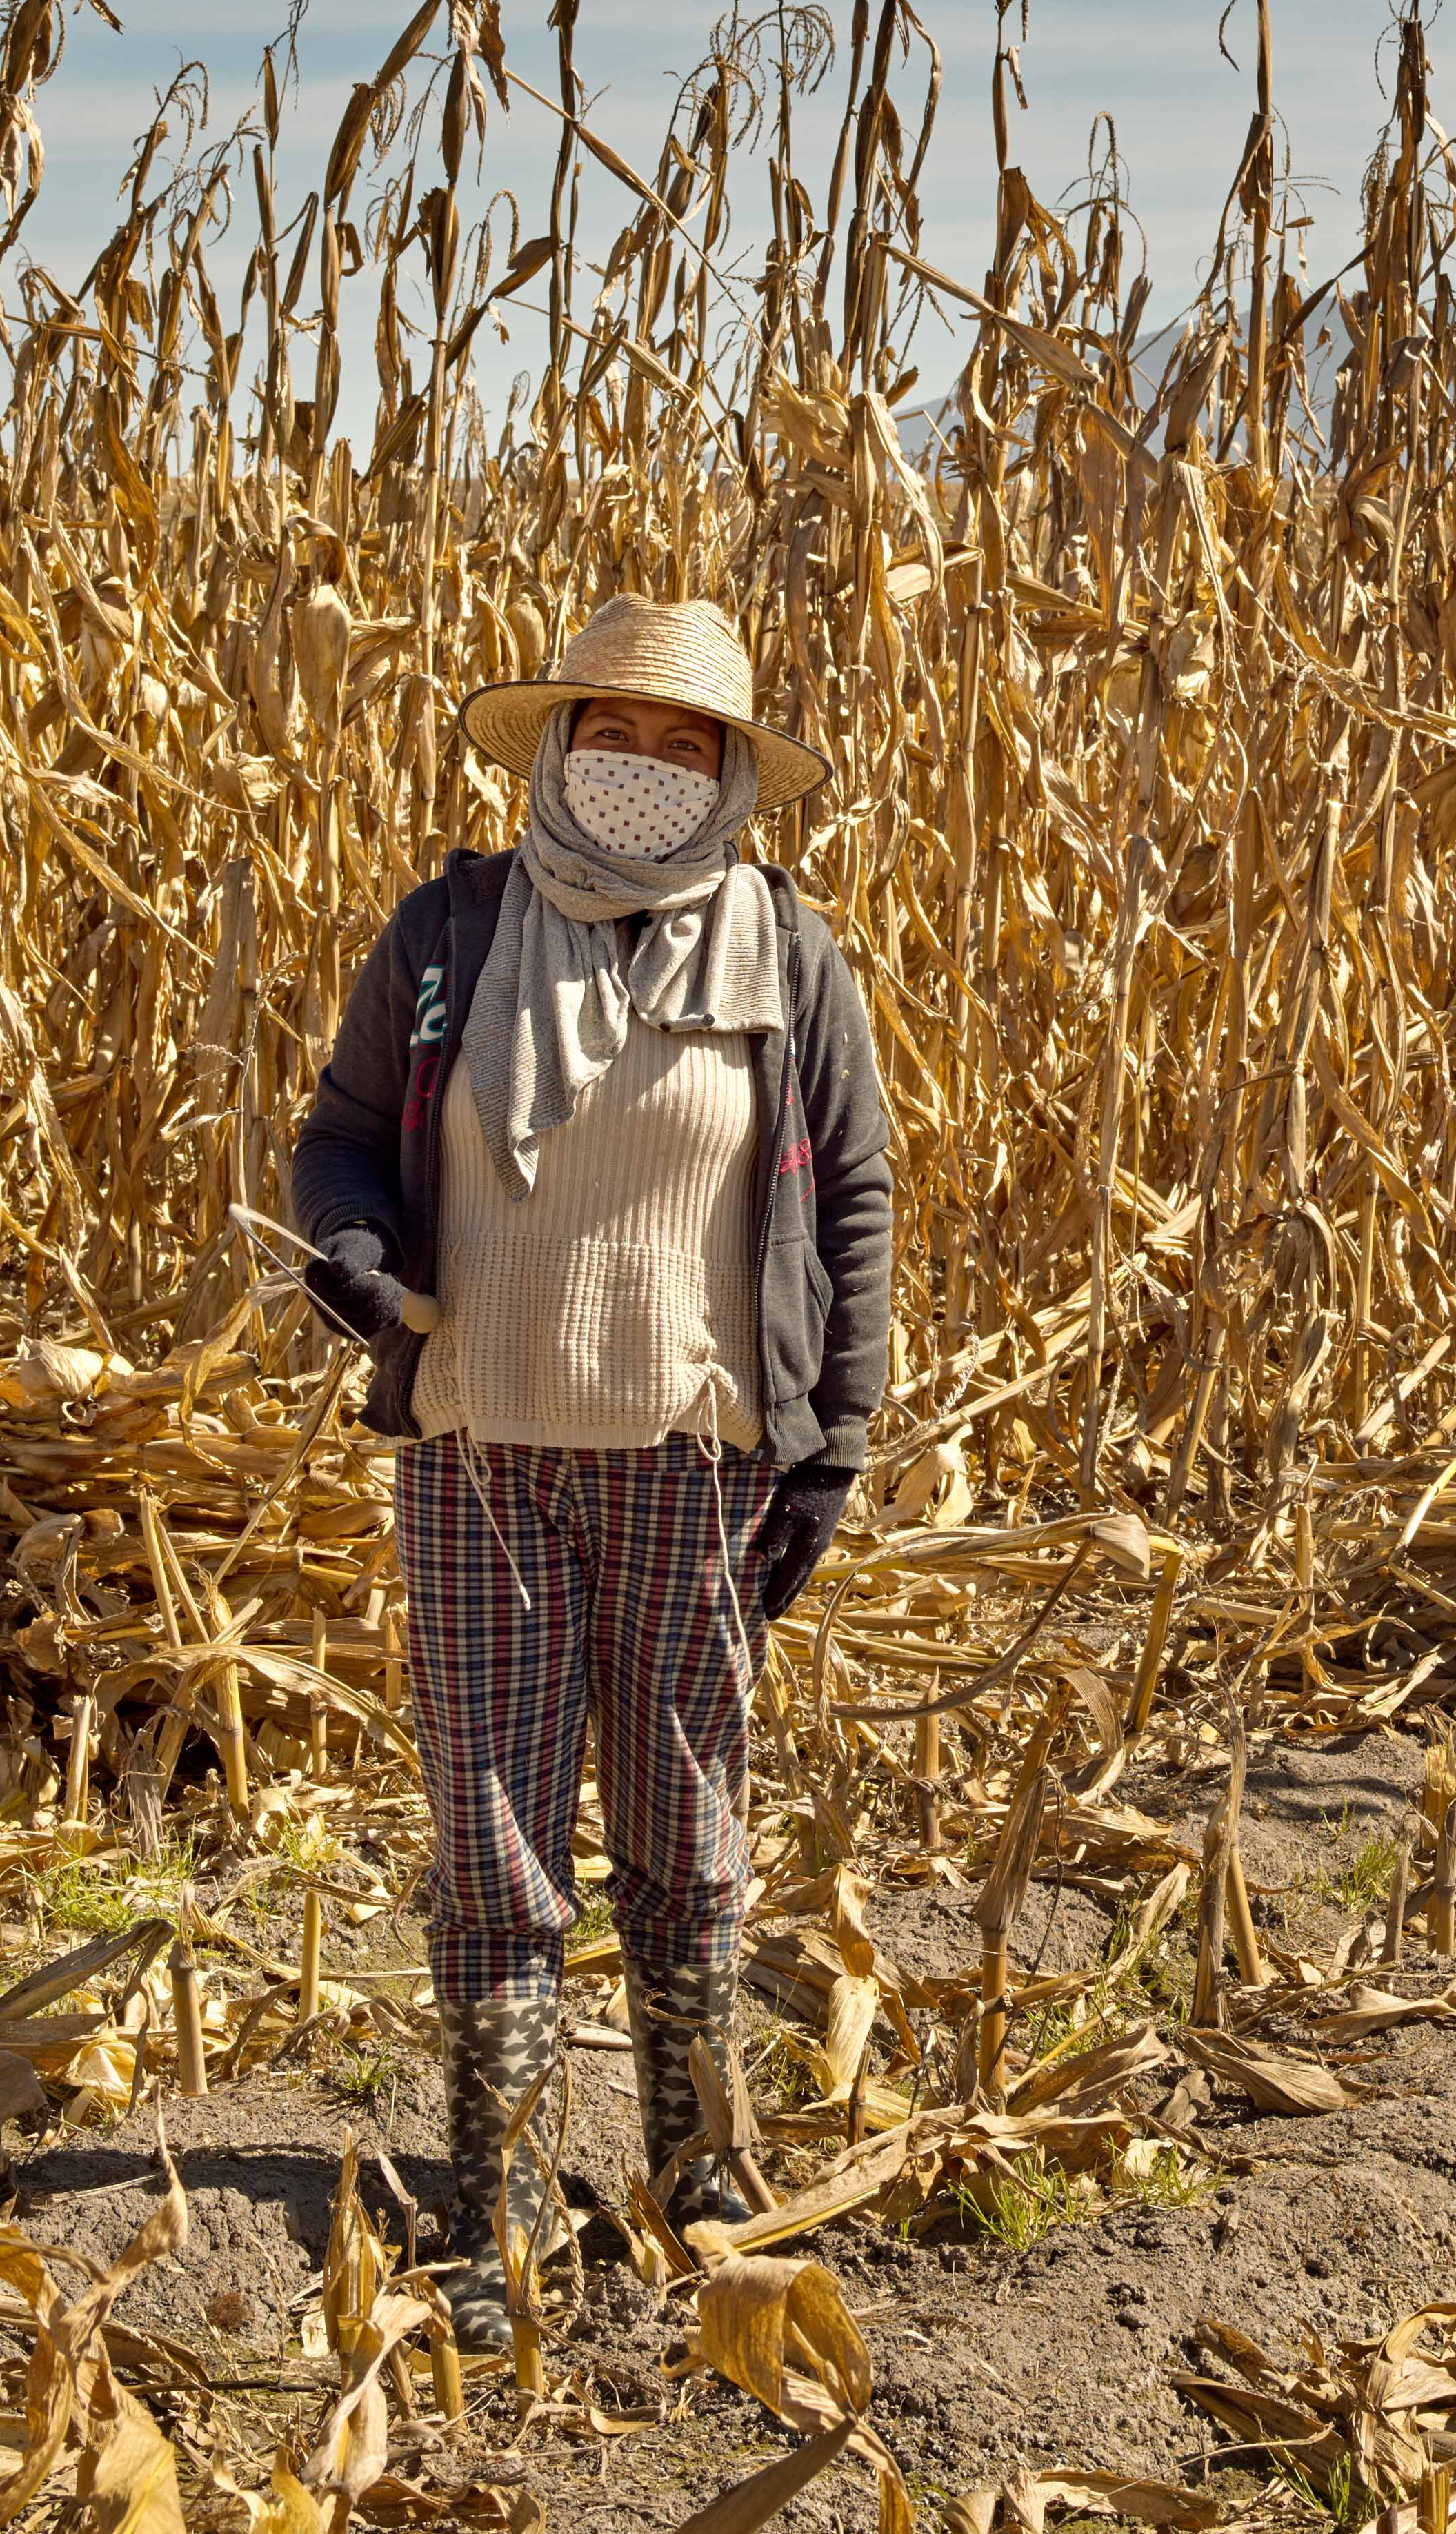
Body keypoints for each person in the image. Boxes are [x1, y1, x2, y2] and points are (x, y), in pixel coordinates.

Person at [288, 593, 892, 2346]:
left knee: (686, 1831)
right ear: (557, 747)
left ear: (731, 775)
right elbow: (342, 1134)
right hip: (480, 1444)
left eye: (682, 741)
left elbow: (853, 1195)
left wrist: (835, 1440)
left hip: (695, 1460)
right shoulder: (449, 933)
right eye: (610, 731)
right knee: (493, 1839)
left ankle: (698, 2168)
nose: (641, 764)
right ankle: (492, 2199)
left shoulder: (788, 952)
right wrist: (350, 1243)